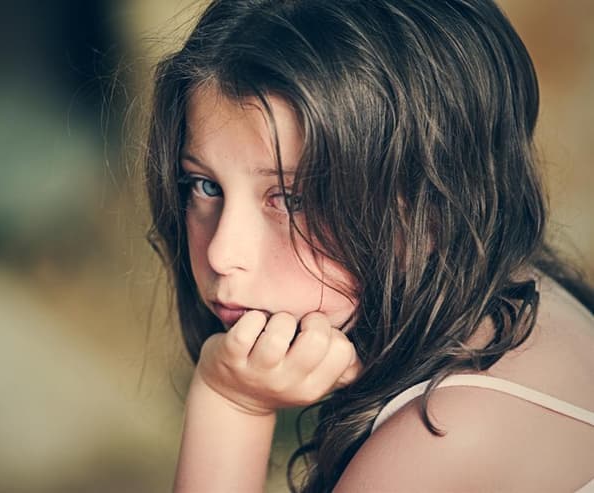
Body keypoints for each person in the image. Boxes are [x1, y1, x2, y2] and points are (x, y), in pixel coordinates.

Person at [143, 0, 594, 491]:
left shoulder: (442, 437)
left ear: (433, 204)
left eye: (291, 199)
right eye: (205, 185)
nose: (221, 253)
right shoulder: (519, 294)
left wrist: (233, 405)